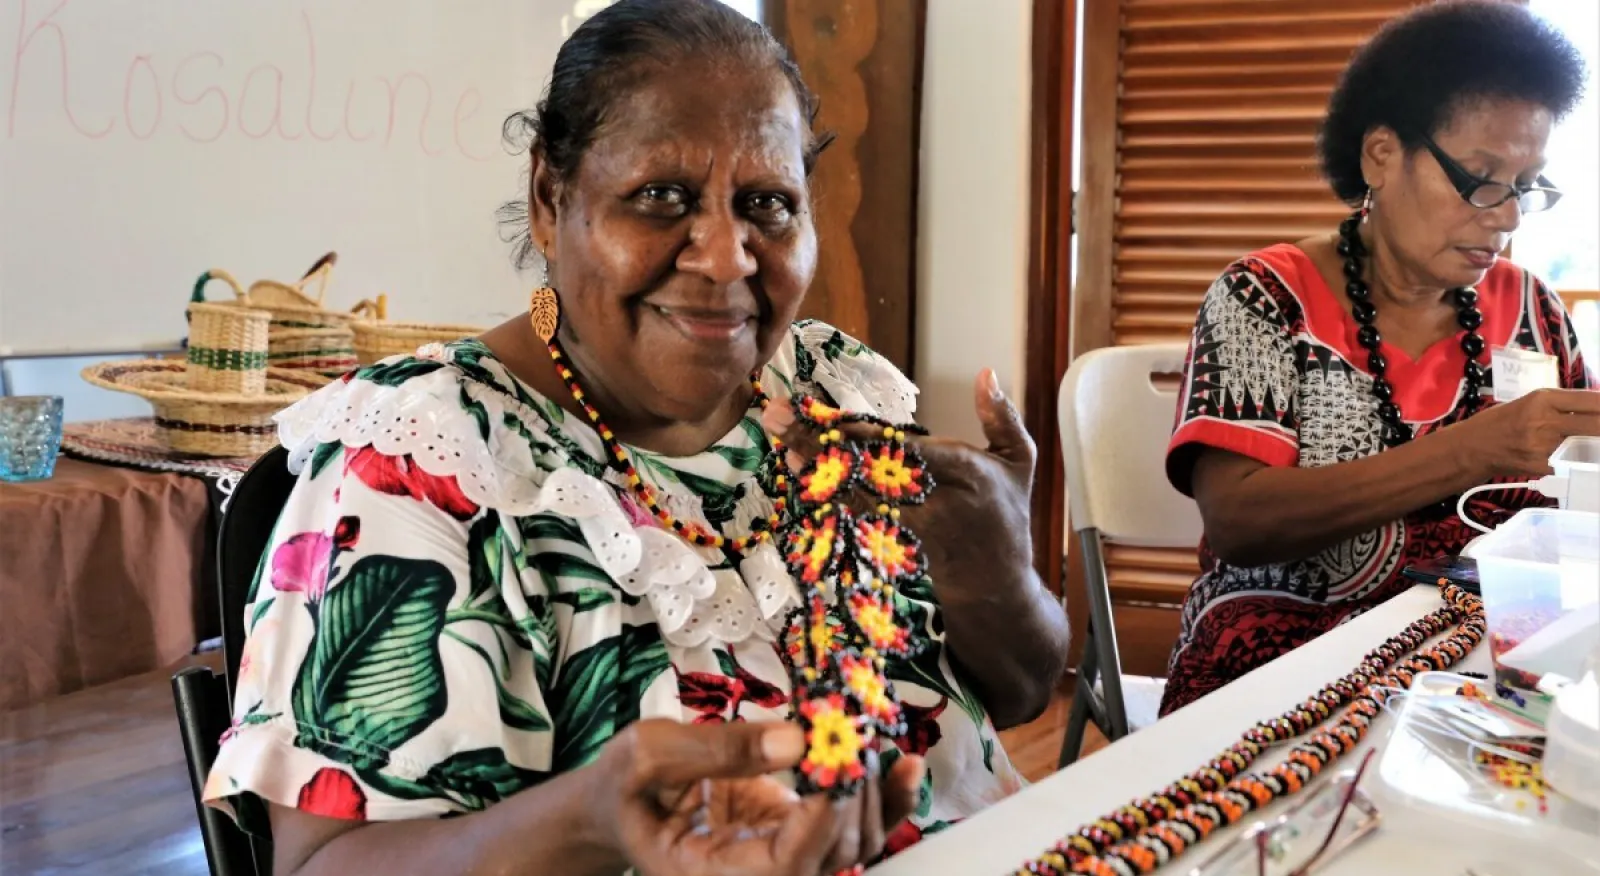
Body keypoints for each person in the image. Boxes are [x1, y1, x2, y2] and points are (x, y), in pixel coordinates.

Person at [202, 1, 1072, 873]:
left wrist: (996, 575)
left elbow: (1021, 690)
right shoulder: (429, 456)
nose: (727, 257)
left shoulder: (835, 393)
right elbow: (322, 864)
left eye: (768, 203)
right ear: (551, 198)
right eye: (662, 197)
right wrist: (588, 820)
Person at [1161, 0, 1599, 716]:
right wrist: (1472, 449)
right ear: (1382, 155)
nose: (1509, 215)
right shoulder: (1265, 299)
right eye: (1482, 177)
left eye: (1525, 185)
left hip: (1488, 657)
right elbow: (1240, 522)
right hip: (1283, 654)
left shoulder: (1534, 312)